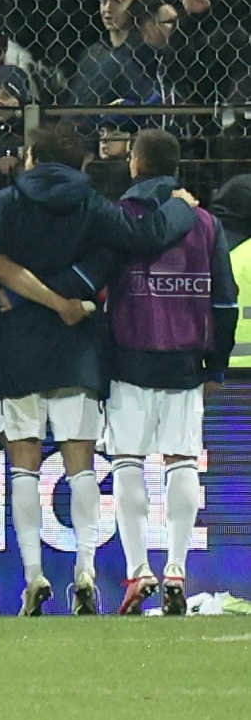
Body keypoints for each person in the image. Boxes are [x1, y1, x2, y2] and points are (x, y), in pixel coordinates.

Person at [0, 120, 202, 613]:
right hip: (78, 343)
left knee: (22, 465)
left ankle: (33, 575)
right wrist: (178, 207)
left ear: (30, 158)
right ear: (82, 163)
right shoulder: (92, 203)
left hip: (18, 347)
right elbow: (142, 236)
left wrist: (29, 300)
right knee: (80, 465)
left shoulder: (8, 201)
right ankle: (85, 569)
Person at [95, 128, 228, 613]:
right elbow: (225, 299)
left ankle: (137, 570)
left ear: (134, 163)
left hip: (128, 357)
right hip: (185, 362)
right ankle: (176, 567)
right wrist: (217, 361)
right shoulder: (205, 223)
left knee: (127, 459)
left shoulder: (119, 217)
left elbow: (99, 284)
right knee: (182, 460)